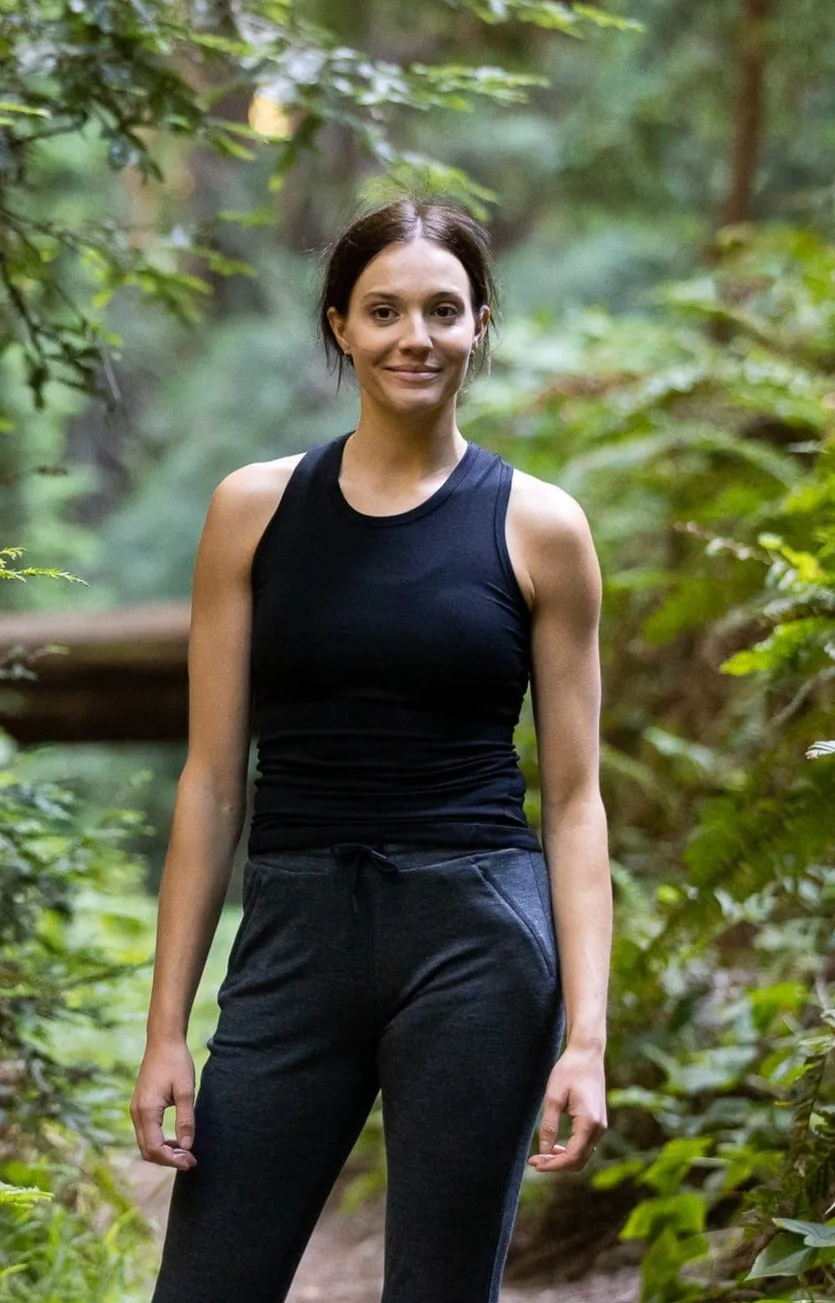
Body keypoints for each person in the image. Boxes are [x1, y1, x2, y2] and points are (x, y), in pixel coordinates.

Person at [131, 194, 612, 1303]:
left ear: (479, 325)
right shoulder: (252, 511)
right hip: (296, 934)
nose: (416, 336)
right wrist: (167, 1032)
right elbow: (209, 786)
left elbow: (576, 802)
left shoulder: (539, 526)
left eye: (443, 310)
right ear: (339, 324)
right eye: (384, 310)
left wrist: (584, 1036)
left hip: (477, 941)